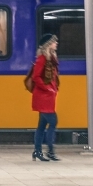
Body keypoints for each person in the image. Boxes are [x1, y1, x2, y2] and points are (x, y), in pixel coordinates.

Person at [30, 33, 59, 162]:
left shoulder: (51, 58)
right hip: (43, 96)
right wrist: (48, 88)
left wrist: (54, 89)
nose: (56, 43)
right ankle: (50, 151)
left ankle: (37, 151)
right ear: (48, 44)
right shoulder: (42, 58)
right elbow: (36, 77)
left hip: (49, 96)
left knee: (42, 125)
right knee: (53, 122)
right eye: (54, 41)